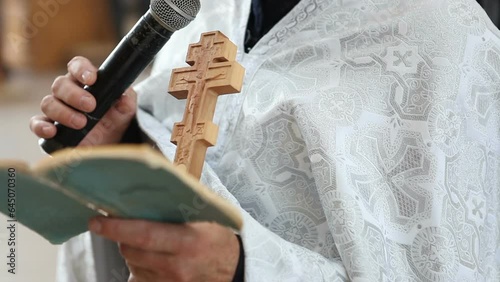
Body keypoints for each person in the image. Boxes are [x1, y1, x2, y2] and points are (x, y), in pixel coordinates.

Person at [30, 0, 500, 281]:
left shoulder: (446, 43)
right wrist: (124, 139)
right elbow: (194, 150)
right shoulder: (204, 10)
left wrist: (239, 270)